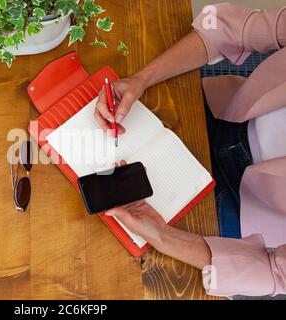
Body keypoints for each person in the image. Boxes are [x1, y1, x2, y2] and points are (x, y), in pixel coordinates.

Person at [95, 3, 286, 298]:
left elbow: (273, 272)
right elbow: (228, 29)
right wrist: (141, 79)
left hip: (242, 210)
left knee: (108, 261)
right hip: (228, 111)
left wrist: (163, 236)